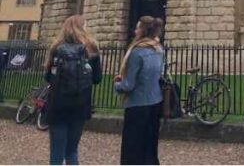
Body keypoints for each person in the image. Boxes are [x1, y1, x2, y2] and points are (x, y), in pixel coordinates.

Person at [43, 15, 103, 165]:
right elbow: (97, 79)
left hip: (58, 104)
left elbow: (48, 77)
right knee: (72, 150)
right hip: (80, 104)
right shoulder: (91, 48)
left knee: (56, 151)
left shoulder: (57, 47)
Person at [115, 16, 165, 165]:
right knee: (150, 147)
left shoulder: (137, 52)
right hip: (155, 103)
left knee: (132, 150)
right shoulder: (158, 49)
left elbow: (129, 85)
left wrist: (117, 84)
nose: (134, 30)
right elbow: (159, 74)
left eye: (137, 27)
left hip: (137, 105)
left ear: (142, 30)